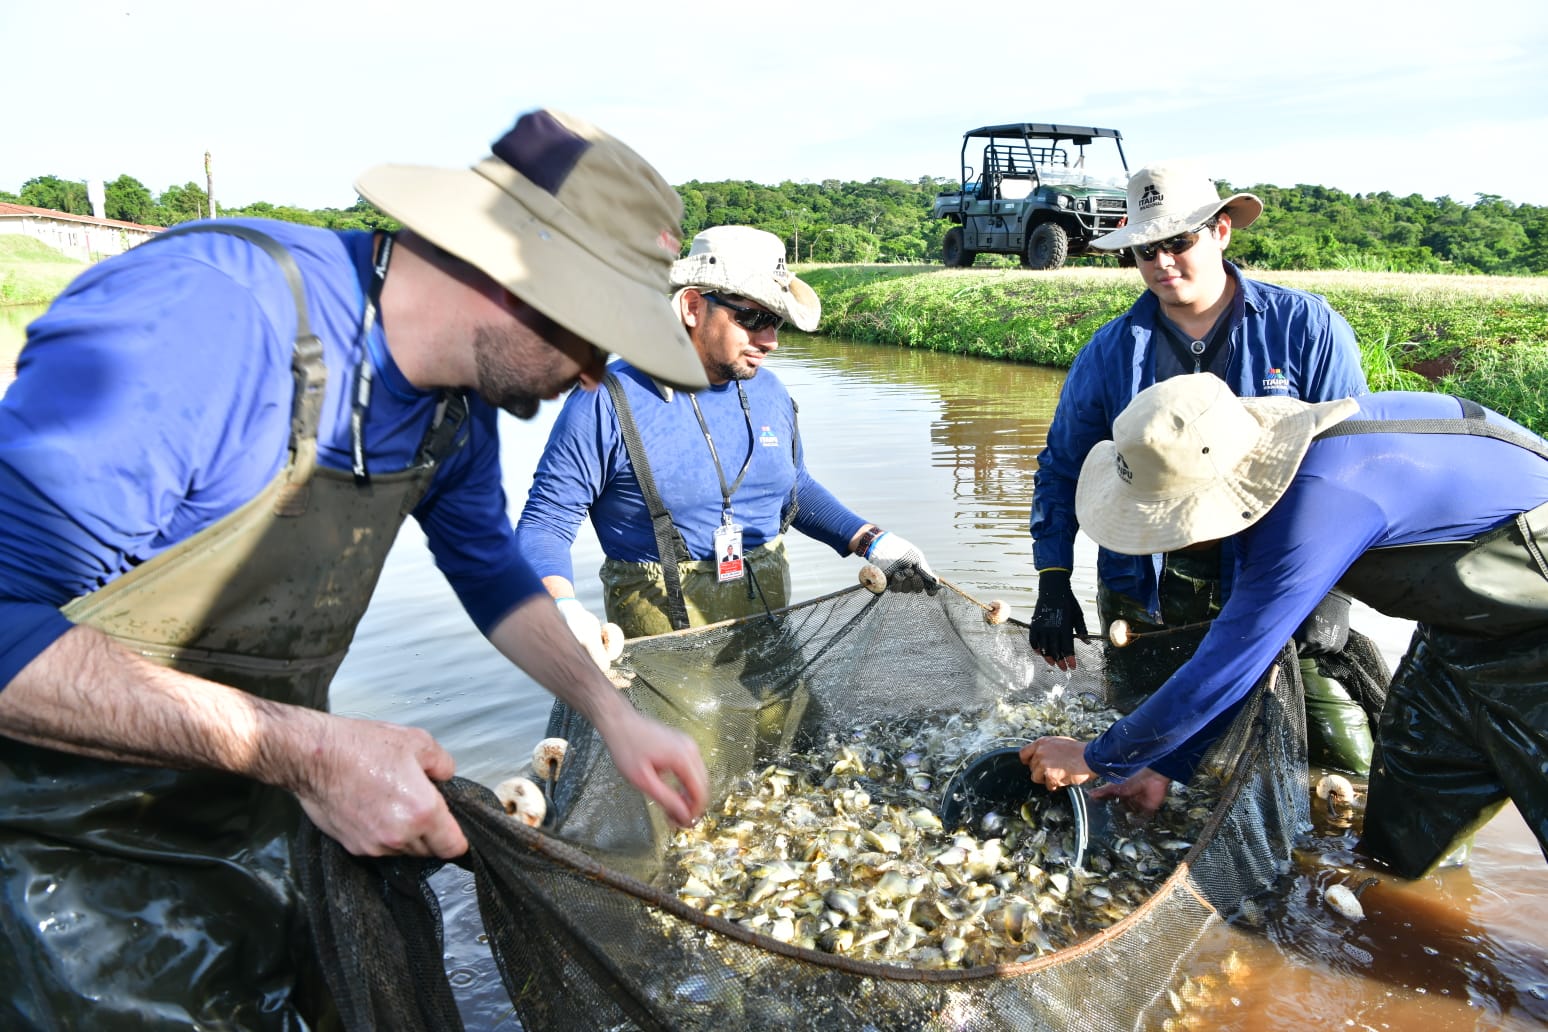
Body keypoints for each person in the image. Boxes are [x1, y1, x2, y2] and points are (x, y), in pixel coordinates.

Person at [0, 108, 712, 1028]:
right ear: (517, 278)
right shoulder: (204, 321)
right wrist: (309, 750)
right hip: (54, 863)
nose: (591, 378)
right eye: (595, 338)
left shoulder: (453, 404)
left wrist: (611, 711)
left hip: (258, 815)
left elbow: (490, 568)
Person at [1021, 373, 1548, 879]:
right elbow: (1240, 653)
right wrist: (1163, 766)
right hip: (1463, 630)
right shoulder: (1272, 476)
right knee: (1409, 820)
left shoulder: (1316, 499)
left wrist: (1098, 757)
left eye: (1167, 522)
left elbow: (1229, 662)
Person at [1025, 161, 1374, 771]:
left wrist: (1335, 590)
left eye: (1178, 242)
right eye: (1144, 249)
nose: (1162, 263)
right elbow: (1062, 468)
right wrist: (1053, 575)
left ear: (1220, 232)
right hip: (1143, 589)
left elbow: (1350, 468)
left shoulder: (1307, 330)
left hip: (1276, 583)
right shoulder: (1109, 352)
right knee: (1143, 754)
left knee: (1341, 763)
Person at [514, 224, 938, 654]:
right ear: (694, 306)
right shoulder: (606, 399)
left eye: (775, 322)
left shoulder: (769, 391)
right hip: (666, 641)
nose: (769, 341)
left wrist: (872, 540)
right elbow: (545, 522)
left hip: (769, 629)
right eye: (752, 319)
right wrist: (561, 606)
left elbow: (793, 488)